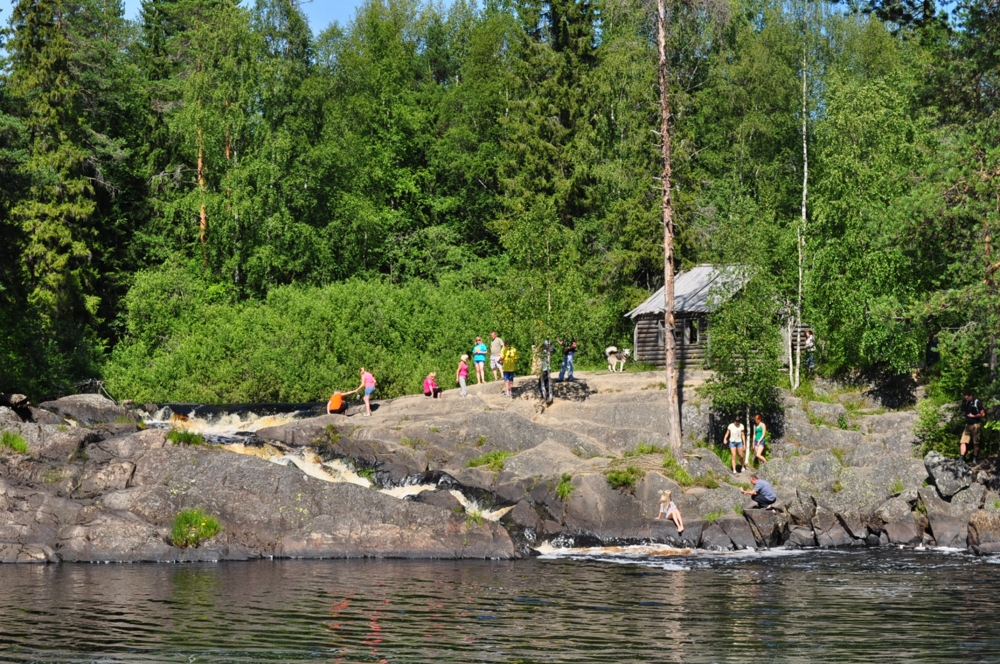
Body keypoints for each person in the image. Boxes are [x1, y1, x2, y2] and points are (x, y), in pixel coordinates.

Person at [961, 391, 985, 465]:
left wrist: (973, 416)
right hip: (968, 424)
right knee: (963, 441)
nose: (967, 399)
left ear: (971, 396)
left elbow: (983, 414)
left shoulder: (977, 402)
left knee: (975, 442)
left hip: (976, 424)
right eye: (966, 398)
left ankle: (975, 459)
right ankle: (962, 458)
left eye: (968, 398)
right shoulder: (967, 403)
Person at [537, 340, 553, 404]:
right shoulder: (538, 340)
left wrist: (548, 348)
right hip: (540, 367)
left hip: (547, 366)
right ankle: (543, 395)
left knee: (547, 381)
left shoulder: (548, 341)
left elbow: (553, 351)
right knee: (541, 382)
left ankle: (548, 395)